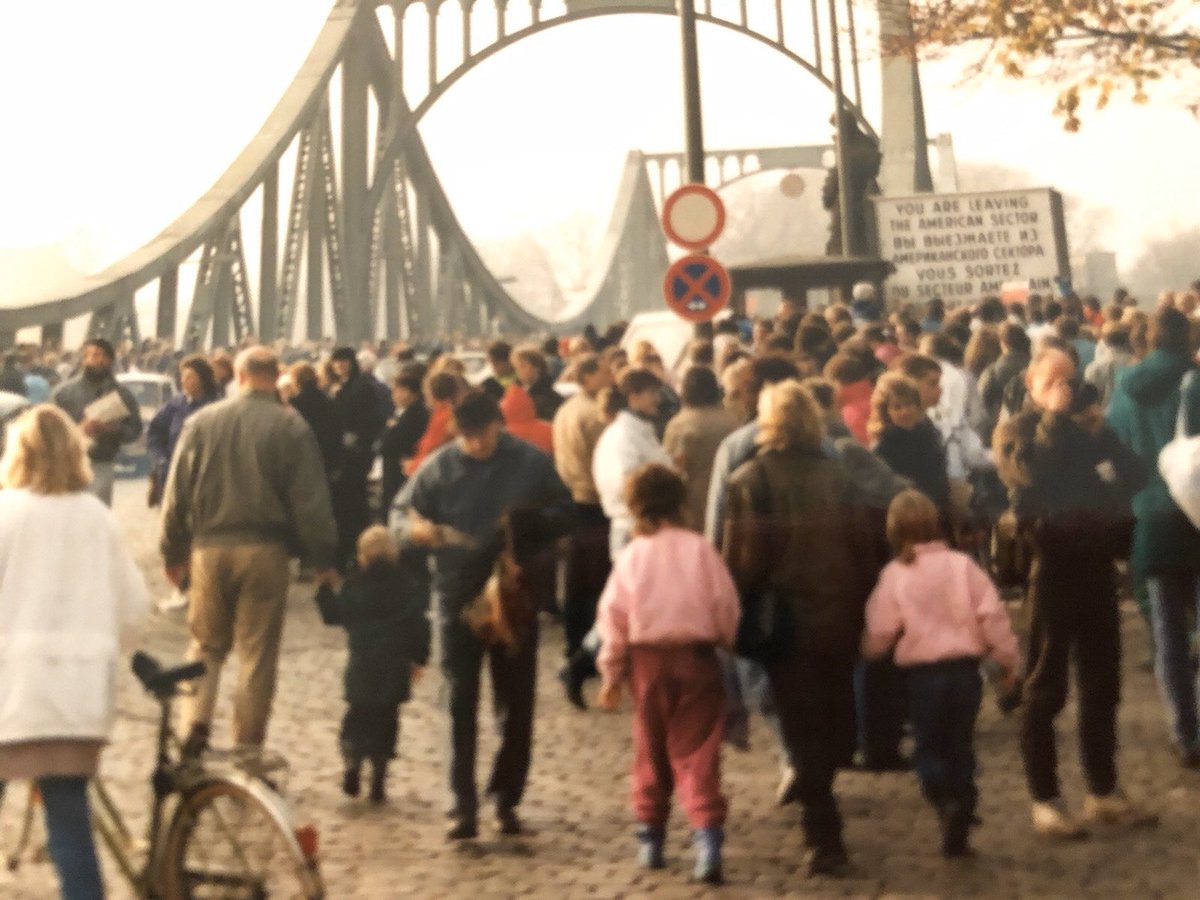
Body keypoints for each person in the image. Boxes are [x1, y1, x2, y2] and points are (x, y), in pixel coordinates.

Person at [391, 389, 573, 841]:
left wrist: (529, 527)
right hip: (455, 595)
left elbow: (567, 510)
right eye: (467, 436)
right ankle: (461, 804)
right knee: (457, 701)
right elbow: (397, 513)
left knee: (515, 702)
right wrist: (416, 532)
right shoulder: (438, 467)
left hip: (512, 593)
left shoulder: (529, 462)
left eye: (483, 434)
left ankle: (506, 797)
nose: (475, 444)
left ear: (498, 424)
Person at [994, 347, 1155, 837]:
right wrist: (1055, 418)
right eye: (1055, 381)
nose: (1068, 388)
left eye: (1072, 380)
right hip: (1050, 569)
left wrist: (1100, 431)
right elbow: (1033, 472)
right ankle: (1045, 798)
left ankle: (1102, 791)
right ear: (1033, 384)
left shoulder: (1089, 431)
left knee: (1102, 684)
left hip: (1097, 566)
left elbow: (1135, 474)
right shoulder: (1016, 431)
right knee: (1045, 687)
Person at [722, 381, 876, 876]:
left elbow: (743, 561)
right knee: (832, 720)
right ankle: (822, 810)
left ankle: (822, 830)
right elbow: (865, 548)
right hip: (840, 614)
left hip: (785, 624)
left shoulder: (751, 480)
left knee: (801, 725)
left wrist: (732, 613)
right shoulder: (841, 475)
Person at [0, 405, 149, 899]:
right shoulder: (97, 518)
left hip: (12, 689)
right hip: (79, 693)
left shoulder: (5, 514)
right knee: (69, 824)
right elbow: (134, 608)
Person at [160, 346, 338, 758]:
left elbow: (177, 492)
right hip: (266, 549)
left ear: (237, 377)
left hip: (208, 547)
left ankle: (196, 724)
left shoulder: (201, 422)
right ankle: (246, 744)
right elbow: (312, 503)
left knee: (205, 644)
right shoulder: (292, 427)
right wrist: (324, 560)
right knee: (257, 654)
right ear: (275, 377)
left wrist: (172, 549)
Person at [596, 464, 740, 885]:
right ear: (680, 501)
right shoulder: (700, 549)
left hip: (647, 662)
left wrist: (611, 672)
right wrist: (726, 639)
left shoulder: (633, 555)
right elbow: (725, 605)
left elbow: (613, 618)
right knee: (698, 749)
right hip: (696, 657)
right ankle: (707, 837)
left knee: (650, 746)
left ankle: (651, 836)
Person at [862, 489, 1019, 858]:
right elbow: (991, 615)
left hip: (921, 676)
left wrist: (869, 651)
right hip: (965, 672)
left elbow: (881, 628)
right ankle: (963, 803)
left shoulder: (895, 574)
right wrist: (1007, 659)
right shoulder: (962, 566)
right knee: (960, 743)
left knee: (929, 745)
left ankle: (942, 798)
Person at [1106, 307, 1200, 766]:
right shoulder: (1194, 382)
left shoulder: (1122, 395)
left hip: (1149, 521)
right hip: (1195, 518)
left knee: (1168, 636)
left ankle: (1185, 734)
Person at [314, 526, 430, 804]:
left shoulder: (356, 585)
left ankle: (353, 760)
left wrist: (324, 590)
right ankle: (378, 777)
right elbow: (419, 626)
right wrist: (420, 657)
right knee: (386, 722)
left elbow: (334, 615)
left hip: (362, 666)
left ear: (362, 556)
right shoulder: (407, 586)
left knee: (356, 718)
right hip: (394, 667)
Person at [552, 354, 614, 708]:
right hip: (594, 502)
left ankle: (576, 649)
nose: (611, 376)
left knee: (578, 587)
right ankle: (586, 659)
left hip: (571, 500)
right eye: (606, 370)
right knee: (601, 587)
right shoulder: (596, 416)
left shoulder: (566, 410)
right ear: (589, 376)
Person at [592, 367, 672, 560]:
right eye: (652, 393)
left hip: (646, 526)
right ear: (633, 396)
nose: (658, 399)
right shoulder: (623, 436)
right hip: (633, 530)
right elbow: (627, 484)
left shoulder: (640, 432)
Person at [52, 338, 143, 506]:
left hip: (103, 463)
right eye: (93, 355)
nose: (98, 360)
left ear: (110, 361)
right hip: (69, 464)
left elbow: (135, 430)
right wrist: (80, 430)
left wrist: (115, 428)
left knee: (97, 517)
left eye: (103, 356)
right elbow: (49, 432)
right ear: (84, 359)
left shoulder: (122, 395)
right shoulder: (63, 393)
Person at [328, 347, 388, 571]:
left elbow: (369, 419)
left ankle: (354, 551)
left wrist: (358, 440)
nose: (340, 365)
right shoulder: (348, 386)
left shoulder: (359, 387)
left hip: (354, 455)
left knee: (352, 503)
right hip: (351, 454)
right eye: (337, 362)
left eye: (343, 361)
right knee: (352, 503)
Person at [662, 366, 741, 531]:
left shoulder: (678, 425)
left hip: (694, 504)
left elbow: (671, 469)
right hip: (731, 501)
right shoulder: (733, 420)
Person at [146, 355, 220, 507]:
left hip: (206, 479)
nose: (184, 381)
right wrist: (161, 460)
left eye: (190, 377)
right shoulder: (175, 405)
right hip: (173, 476)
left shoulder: (217, 406)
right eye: (183, 377)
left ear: (203, 379)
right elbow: (155, 434)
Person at [378, 367, 430, 517]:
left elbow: (390, 443)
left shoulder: (415, 415)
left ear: (409, 392)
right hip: (395, 470)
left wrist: (390, 428)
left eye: (397, 390)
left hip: (401, 472)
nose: (393, 395)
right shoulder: (403, 412)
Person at [512, 345, 564, 421]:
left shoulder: (552, 399)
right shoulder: (516, 394)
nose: (518, 371)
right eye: (516, 367)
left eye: (522, 366)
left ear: (537, 367)